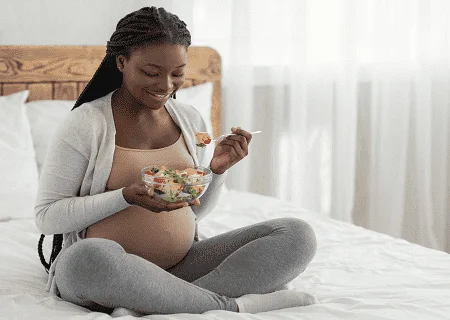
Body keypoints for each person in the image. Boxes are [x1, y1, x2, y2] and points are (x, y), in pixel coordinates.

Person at [35, 6, 318, 316]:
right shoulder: (85, 125)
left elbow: (195, 213)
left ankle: (164, 299)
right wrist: (126, 196)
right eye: (151, 72)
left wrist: (216, 171)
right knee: (85, 260)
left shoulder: (189, 119)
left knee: (296, 235)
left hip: (182, 266)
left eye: (178, 73)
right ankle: (231, 306)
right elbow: (48, 217)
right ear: (121, 62)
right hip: (106, 270)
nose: (166, 85)